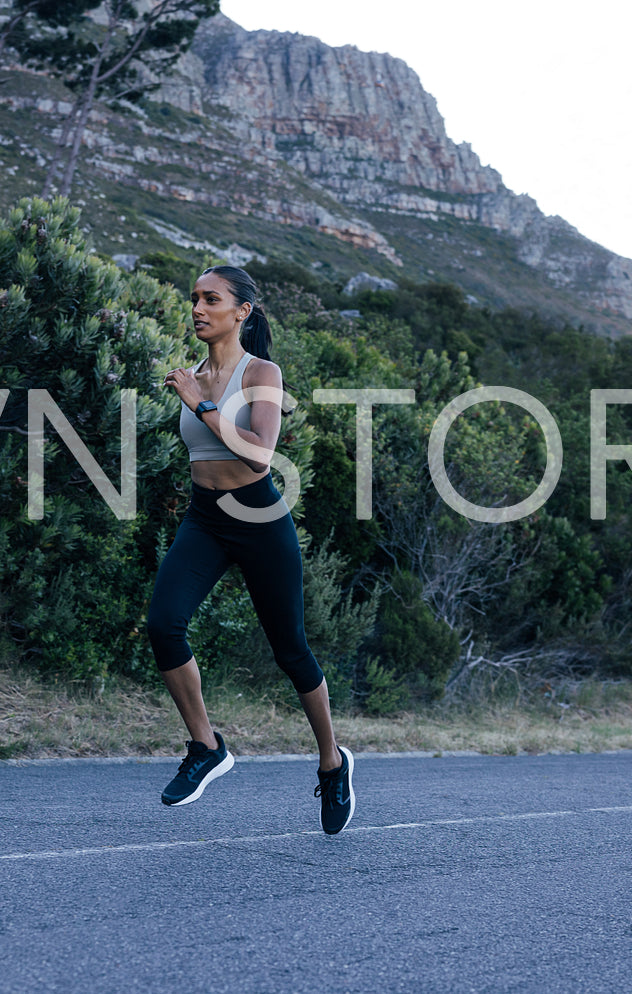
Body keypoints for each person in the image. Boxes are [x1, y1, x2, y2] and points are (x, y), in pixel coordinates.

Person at [150, 264, 355, 835]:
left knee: (291, 651)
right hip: (205, 517)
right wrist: (195, 394)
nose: (197, 308)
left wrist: (199, 403)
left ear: (240, 312)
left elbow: (260, 454)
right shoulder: (192, 372)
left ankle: (333, 763)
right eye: (194, 298)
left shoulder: (261, 371)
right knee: (163, 623)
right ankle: (206, 746)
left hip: (258, 516)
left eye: (210, 299)